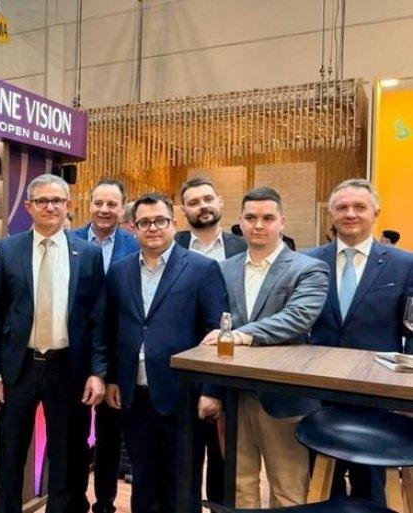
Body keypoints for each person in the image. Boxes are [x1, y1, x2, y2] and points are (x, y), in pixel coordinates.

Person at [0, 173, 107, 513]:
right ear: (28, 206)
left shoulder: (89, 254)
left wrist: (97, 372)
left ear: (68, 205)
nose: (50, 207)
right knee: (11, 455)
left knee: (66, 456)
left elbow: (97, 319)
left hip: (68, 369)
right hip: (18, 368)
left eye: (57, 201)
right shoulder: (7, 250)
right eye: (42, 201)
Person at [202, 187, 328, 509]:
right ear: (240, 222)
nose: (259, 225)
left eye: (268, 218)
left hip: (284, 397)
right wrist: (213, 389)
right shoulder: (224, 269)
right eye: (251, 218)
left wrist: (238, 336)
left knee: (288, 490)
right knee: (239, 487)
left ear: (282, 222)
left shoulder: (308, 268)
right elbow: (213, 324)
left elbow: (297, 317)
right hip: (235, 395)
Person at [105, 192, 228, 513]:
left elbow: (217, 335)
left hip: (183, 395)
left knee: (182, 484)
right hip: (134, 395)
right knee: (143, 480)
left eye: (160, 221)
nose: (153, 228)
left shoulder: (202, 269)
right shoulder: (119, 271)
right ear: (133, 228)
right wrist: (112, 379)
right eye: (144, 222)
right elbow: (112, 329)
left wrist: (212, 390)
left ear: (174, 223)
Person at [307, 179, 413, 505]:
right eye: (341, 207)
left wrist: (406, 393)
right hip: (318, 389)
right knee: (323, 484)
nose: (350, 214)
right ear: (332, 214)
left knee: (371, 487)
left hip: (376, 394)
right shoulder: (308, 262)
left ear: (375, 213)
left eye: (359, 207)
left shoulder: (405, 264)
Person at [174, 177, 246, 505]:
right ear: (183, 211)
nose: (202, 206)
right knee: (184, 465)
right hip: (181, 371)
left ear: (219, 201)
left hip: (230, 370)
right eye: (193, 202)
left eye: (207, 199)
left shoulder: (243, 248)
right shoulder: (170, 245)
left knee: (224, 467)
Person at [69, 178, 139, 513]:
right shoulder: (69, 240)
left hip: (117, 355)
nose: (104, 209)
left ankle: (106, 503)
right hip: (74, 354)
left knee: (110, 435)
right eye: (99, 203)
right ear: (90, 204)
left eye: (112, 204)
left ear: (123, 208)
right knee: (73, 432)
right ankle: (74, 499)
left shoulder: (135, 246)